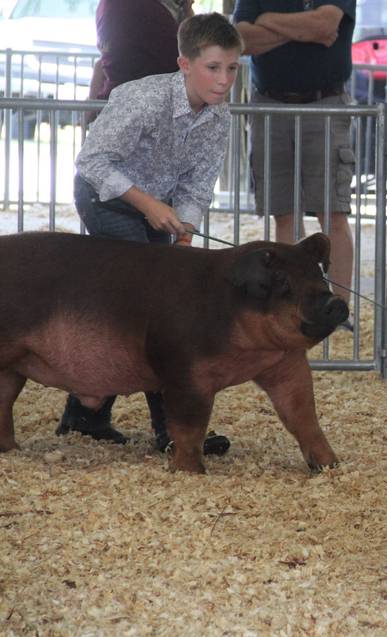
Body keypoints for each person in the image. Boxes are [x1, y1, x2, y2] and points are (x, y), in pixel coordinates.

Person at [57, 12, 242, 455]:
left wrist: (184, 238)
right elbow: (93, 163)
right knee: (151, 306)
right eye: (213, 68)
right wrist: (150, 206)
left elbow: (198, 186)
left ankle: (87, 413)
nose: (223, 80)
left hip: (158, 210)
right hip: (106, 198)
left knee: (145, 304)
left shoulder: (219, 118)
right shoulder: (142, 99)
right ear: (184, 64)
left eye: (232, 69)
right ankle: (173, 430)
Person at [232, 0, 355, 316]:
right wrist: (304, 28)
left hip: (325, 102)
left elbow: (325, 27)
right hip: (270, 104)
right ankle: (294, 307)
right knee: (283, 214)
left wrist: (269, 20)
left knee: (332, 213)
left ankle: (340, 311)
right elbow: (242, 39)